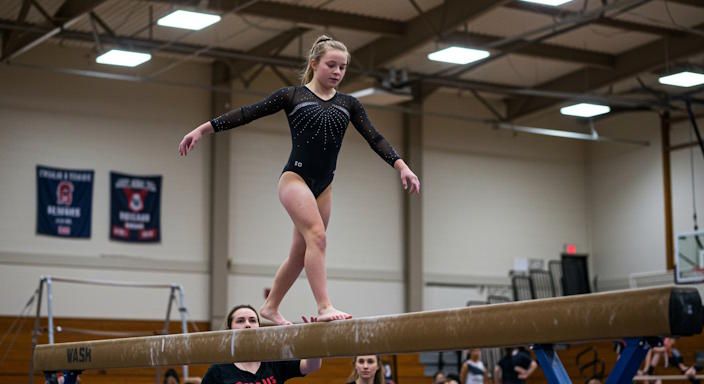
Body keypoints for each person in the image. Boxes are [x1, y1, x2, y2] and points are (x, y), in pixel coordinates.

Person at [179, 35, 420, 325]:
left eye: (342, 68)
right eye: (331, 65)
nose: (337, 72)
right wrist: (202, 130)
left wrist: (402, 166)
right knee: (317, 236)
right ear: (314, 63)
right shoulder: (292, 96)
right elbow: (247, 113)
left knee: (302, 251)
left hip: (324, 187)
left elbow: (375, 137)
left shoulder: (349, 104)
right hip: (295, 180)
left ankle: (270, 306)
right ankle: (324, 306)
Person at [201, 305, 321, 384]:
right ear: (230, 328)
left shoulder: (273, 361)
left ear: (259, 326)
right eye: (240, 321)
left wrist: (314, 342)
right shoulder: (219, 370)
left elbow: (311, 366)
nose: (248, 324)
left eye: (253, 320)